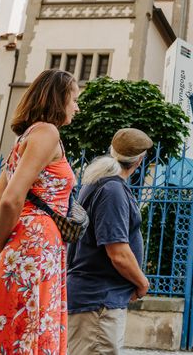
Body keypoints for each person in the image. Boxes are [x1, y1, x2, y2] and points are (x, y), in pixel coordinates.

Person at [0, 69, 79, 354]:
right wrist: (0, 247)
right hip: (33, 248)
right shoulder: (48, 133)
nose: (76, 107)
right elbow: (9, 201)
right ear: (59, 98)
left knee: (13, 331)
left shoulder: (22, 141)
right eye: (74, 99)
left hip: (22, 247)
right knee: (29, 331)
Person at [67, 128, 153, 355]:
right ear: (139, 160)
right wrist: (142, 283)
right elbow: (118, 252)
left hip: (96, 298)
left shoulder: (96, 182)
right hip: (99, 302)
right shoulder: (112, 189)